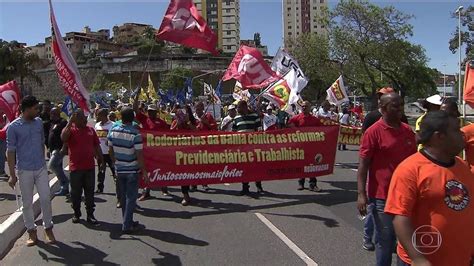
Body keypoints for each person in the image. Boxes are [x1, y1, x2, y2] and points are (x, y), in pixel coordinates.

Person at [385, 111, 474, 266]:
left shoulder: (462, 166)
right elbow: (400, 218)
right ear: (439, 137)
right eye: (456, 130)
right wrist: (418, 258)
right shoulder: (410, 169)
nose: (462, 134)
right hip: (425, 261)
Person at [357, 92, 416, 266]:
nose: (400, 109)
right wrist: (361, 194)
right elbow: (363, 166)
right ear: (382, 109)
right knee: (385, 240)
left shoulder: (407, 130)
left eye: (401, 105)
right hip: (382, 197)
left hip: (406, 196)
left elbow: (415, 162)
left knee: (405, 241)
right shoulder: (373, 132)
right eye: (395, 106)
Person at [7, 95, 56, 246]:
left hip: (40, 168)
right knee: (27, 203)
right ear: (27, 109)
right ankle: (32, 232)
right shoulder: (13, 127)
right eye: (35, 108)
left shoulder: (39, 122)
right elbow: (10, 152)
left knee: (46, 198)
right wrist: (12, 175)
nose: (38, 111)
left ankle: (48, 228)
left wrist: (43, 161)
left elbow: (42, 142)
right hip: (24, 170)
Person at [108, 108, 149, 234]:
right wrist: (144, 171)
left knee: (124, 198)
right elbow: (139, 154)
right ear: (133, 118)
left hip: (119, 169)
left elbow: (110, 149)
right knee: (131, 197)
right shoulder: (135, 134)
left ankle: (128, 220)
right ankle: (126, 225)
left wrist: (115, 162)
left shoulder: (113, 130)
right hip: (132, 170)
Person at [61, 110, 104, 225]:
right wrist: (70, 122)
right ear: (76, 119)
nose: (85, 121)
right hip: (76, 168)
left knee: (89, 193)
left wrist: (101, 160)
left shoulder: (90, 130)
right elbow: (64, 138)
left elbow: (97, 146)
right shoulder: (71, 130)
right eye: (82, 119)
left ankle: (90, 214)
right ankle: (76, 213)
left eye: (86, 119)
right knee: (75, 193)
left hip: (90, 167)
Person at [133, 94, 169, 201]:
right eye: (149, 111)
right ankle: (146, 191)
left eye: (152, 111)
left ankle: (164, 187)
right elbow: (135, 109)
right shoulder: (144, 119)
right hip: (146, 150)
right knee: (147, 170)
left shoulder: (162, 122)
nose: (150, 112)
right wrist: (136, 98)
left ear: (156, 112)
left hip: (159, 149)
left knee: (162, 169)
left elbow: (168, 135)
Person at [288, 101, 324, 192]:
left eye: (306, 106)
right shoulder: (298, 117)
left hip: (312, 146)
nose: (304, 107)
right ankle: (301, 183)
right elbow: (289, 123)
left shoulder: (314, 119)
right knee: (302, 164)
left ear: (309, 107)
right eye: (303, 106)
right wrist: (296, 130)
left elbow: (322, 129)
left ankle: (313, 184)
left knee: (312, 164)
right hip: (301, 146)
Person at [232, 100, 264, 195]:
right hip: (242, 148)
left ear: (244, 107)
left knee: (256, 167)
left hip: (253, 146)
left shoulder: (254, 117)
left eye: (239, 107)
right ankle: (245, 187)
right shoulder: (236, 118)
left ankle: (259, 185)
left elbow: (259, 131)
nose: (237, 109)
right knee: (244, 168)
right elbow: (233, 132)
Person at [171, 105, 197, 205]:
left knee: (191, 173)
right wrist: (177, 124)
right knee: (183, 174)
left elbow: (197, 132)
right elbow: (168, 134)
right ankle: (185, 195)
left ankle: (194, 184)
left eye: (184, 113)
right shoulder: (175, 122)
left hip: (192, 152)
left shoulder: (192, 122)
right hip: (180, 152)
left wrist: (188, 122)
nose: (182, 115)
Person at [95, 108, 121, 207]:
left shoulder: (113, 125)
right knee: (101, 171)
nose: (97, 117)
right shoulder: (97, 125)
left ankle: (119, 191)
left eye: (99, 115)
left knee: (115, 172)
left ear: (104, 115)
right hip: (100, 153)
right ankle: (100, 187)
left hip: (111, 154)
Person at [47, 107, 69, 197]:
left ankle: (65, 181)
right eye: (51, 113)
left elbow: (66, 136)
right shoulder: (52, 123)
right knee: (57, 167)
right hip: (52, 149)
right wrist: (48, 148)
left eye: (53, 113)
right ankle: (64, 188)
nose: (51, 115)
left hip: (59, 149)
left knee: (52, 165)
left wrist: (64, 147)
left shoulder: (63, 122)